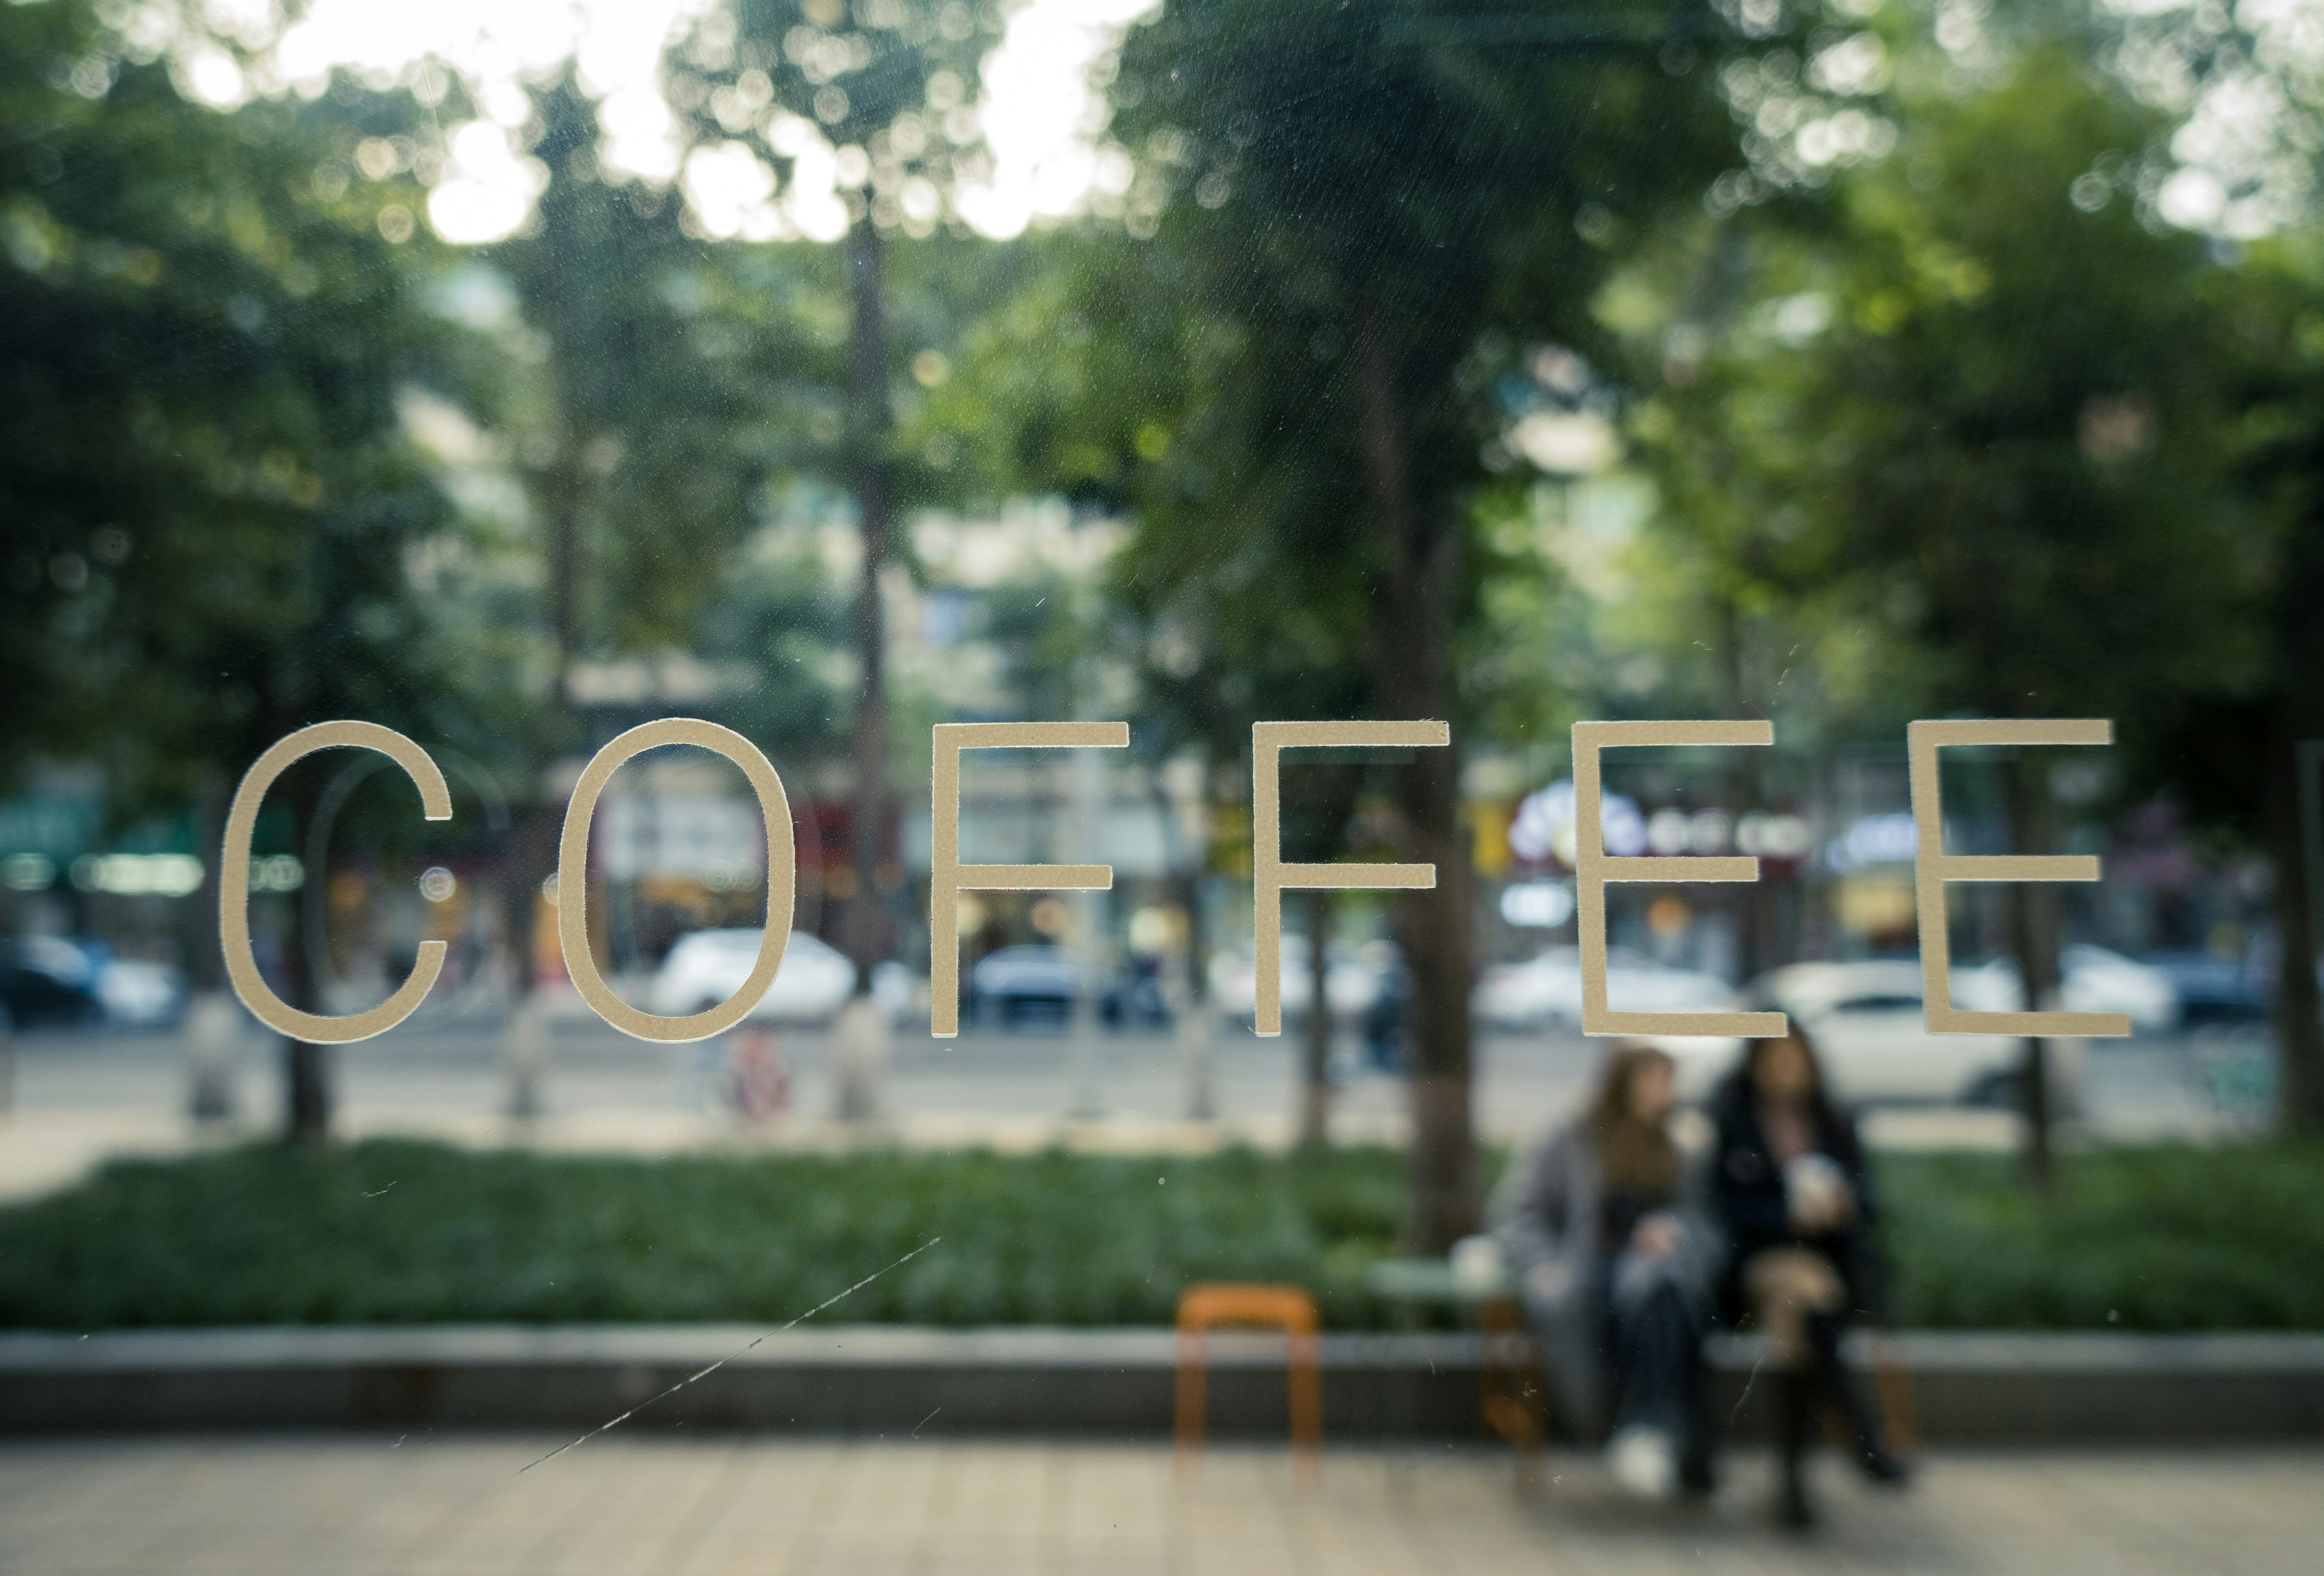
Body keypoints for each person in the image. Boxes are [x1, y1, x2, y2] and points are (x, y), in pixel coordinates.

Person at [1489, 1041, 1723, 1499]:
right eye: (1650, 1079)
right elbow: (1515, 1211)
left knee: (1666, 1290)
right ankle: (1658, 1436)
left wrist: (1672, 1230)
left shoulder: (1683, 1142)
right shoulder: (1574, 1135)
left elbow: (1706, 1222)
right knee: (1659, 1300)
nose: (1662, 1092)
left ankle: (1649, 1431)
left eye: (1667, 1080)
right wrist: (1542, 1265)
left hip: (1660, 1275)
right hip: (1587, 1270)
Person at [1711, 1025, 1910, 1527]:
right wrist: (1787, 1214)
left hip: (1825, 1265)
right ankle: (1858, 1434)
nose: (1787, 1071)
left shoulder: (1832, 1122)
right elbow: (1725, 1209)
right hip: (1758, 1263)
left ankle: (1795, 1486)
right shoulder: (1734, 1122)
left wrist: (1840, 1207)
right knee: (1803, 1293)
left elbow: (1869, 1201)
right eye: (1776, 1060)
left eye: (1794, 1059)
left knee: (1796, 1324)